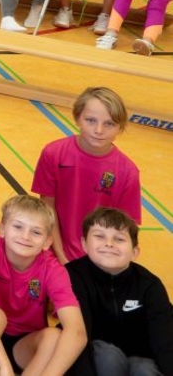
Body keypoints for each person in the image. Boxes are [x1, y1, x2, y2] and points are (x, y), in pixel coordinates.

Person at [0, 195, 87, 376]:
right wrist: (4, 365)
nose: (25, 236)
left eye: (36, 232)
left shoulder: (54, 270)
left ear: (47, 242)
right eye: (18, 227)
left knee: (54, 337)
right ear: (2, 229)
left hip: (23, 344)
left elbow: (77, 332)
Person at [32, 87, 141, 263]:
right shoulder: (54, 153)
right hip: (52, 252)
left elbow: (124, 229)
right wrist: (61, 256)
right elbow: (47, 209)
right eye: (90, 120)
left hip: (99, 259)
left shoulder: (128, 172)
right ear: (77, 118)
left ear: (120, 127)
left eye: (109, 123)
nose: (99, 130)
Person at [66, 207, 173, 376]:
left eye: (119, 239)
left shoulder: (149, 285)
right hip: (97, 357)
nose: (109, 243)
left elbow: (165, 341)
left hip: (141, 357)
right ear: (84, 244)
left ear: (135, 252)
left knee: (144, 370)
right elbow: (78, 335)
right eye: (99, 236)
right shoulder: (72, 276)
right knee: (108, 357)